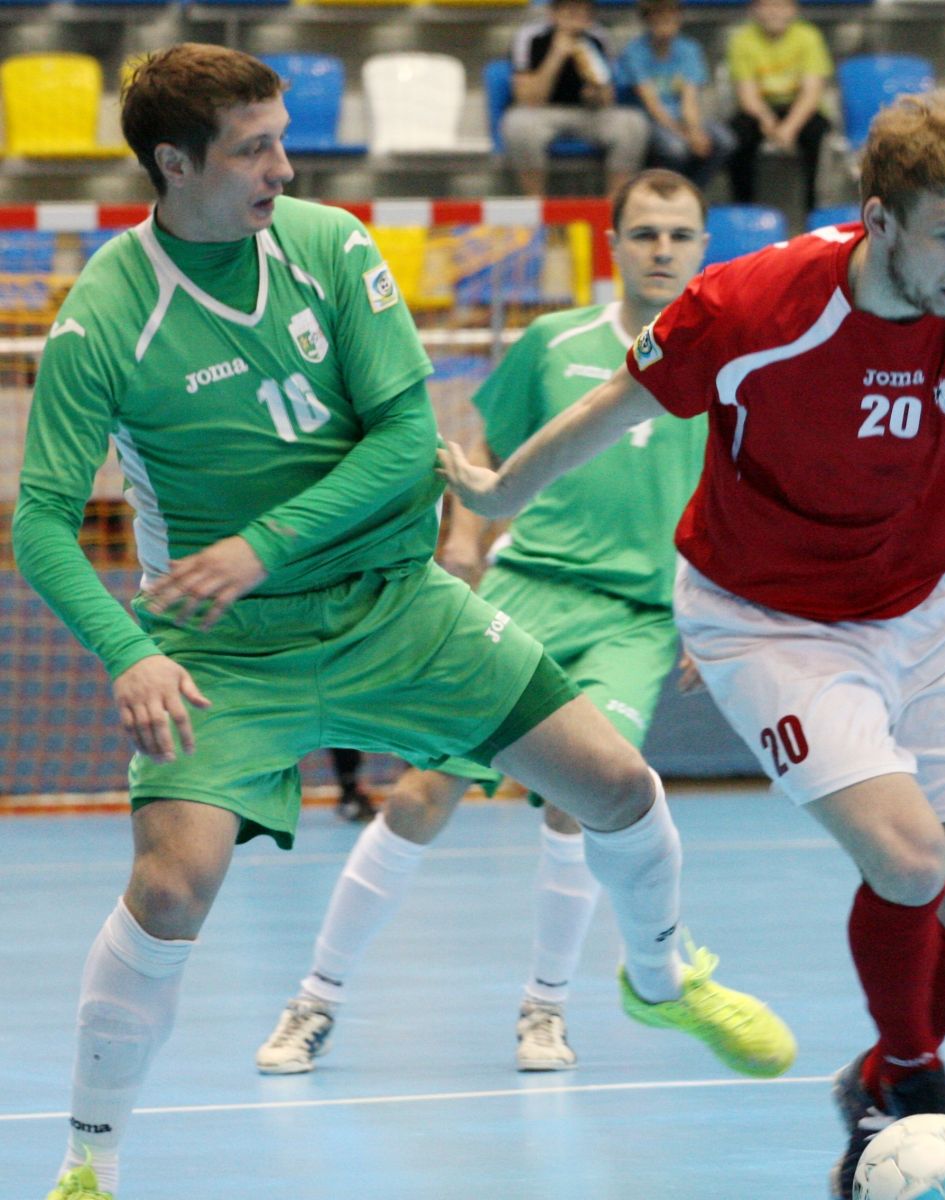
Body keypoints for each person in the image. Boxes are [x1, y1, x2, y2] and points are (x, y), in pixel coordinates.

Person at [14, 46, 794, 1200]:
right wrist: (129, 653)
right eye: (254, 149)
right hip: (225, 651)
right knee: (170, 889)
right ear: (173, 165)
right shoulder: (105, 317)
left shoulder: (331, 249)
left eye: (283, 138)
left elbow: (403, 442)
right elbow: (38, 519)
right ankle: (89, 1161)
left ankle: (662, 974)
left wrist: (262, 543)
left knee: (617, 786)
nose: (284, 167)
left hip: (396, 608)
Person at [438, 90, 945, 1197]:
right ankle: (912, 1079)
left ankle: (874, 1078)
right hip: (765, 619)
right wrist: (500, 493)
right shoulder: (751, 304)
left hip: (927, 605)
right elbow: (612, 409)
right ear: (878, 219)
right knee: (911, 858)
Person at [255, 167, 712, 1077]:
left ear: (704, 247)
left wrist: (716, 610)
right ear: (613, 246)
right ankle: (315, 998)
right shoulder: (554, 342)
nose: (662, 250)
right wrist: (464, 540)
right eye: (645, 233)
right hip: (527, 589)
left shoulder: (729, 360)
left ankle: (546, 1010)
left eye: (680, 235)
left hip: (635, 616)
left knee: (584, 802)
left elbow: (740, 497)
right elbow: (489, 449)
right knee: (422, 794)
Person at [502, 0, 650, 197]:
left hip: (589, 114)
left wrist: (596, 95)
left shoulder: (598, 38)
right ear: (554, 13)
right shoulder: (531, 37)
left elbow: (608, 98)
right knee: (517, 124)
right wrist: (557, 54)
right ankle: (536, 203)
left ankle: (615, 204)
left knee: (633, 123)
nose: (579, 17)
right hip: (541, 113)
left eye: (585, 12)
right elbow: (527, 99)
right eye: (571, 11)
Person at [614, 0, 737, 190]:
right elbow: (651, 104)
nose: (666, 25)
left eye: (671, 18)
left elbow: (689, 99)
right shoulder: (634, 52)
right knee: (675, 148)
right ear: (647, 21)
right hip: (648, 120)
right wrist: (683, 135)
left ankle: (694, 191)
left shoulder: (689, 50)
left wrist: (694, 131)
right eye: (659, 19)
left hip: (682, 117)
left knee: (725, 141)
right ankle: (666, 192)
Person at [725, 0, 832, 215]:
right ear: (754, 9)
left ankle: (814, 210)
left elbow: (811, 93)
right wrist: (768, 122)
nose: (775, 12)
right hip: (760, 108)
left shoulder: (809, 36)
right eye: (768, 5)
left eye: (781, 5)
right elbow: (747, 95)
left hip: (799, 107)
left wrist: (789, 128)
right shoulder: (742, 39)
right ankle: (744, 209)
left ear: (794, 9)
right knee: (738, 134)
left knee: (816, 132)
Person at [327, 747, 376, 822]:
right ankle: (352, 805)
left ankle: (355, 805)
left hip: (348, 759)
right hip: (345, 758)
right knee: (348, 778)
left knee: (349, 778)